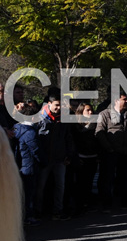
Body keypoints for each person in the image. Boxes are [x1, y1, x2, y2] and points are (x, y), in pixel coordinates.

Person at [95, 91, 127, 210]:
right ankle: (106, 204)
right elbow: (99, 133)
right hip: (110, 153)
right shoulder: (104, 114)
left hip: (126, 151)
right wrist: (108, 147)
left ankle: (126, 202)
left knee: (126, 178)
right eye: (124, 99)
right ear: (116, 100)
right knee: (107, 178)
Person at [35, 89, 76, 220]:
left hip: (60, 159)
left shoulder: (63, 119)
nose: (58, 108)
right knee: (40, 187)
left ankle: (57, 211)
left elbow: (68, 138)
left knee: (60, 186)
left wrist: (68, 155)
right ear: (49, 104)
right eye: (56, 105)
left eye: (60, 105)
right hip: (44, 159)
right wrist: (39, 157)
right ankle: (37, 211)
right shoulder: (39, 118)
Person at [13, 101, 42, 225]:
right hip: (29, 166)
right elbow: (36, 150)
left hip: (19, 165)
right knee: (29, 193)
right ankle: (28, 217)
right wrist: (43, 161)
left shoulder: (16, 128)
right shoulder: (30, 132)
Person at [72, 102, 100, 212]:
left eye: (91, 110)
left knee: (89, 181)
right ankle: (79, 203)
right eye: (87, 110)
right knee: (80, 181)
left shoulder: (96, 124)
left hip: (92, 156)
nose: (90, 112)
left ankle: (87, 202)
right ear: (81, 112)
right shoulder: (76, 125)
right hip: (81, 156)